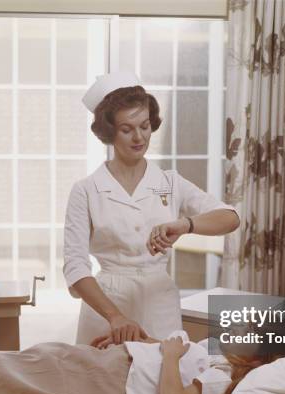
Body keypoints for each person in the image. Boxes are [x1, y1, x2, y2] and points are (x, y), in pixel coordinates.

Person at [64, 72, 240, 346]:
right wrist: (115, 317)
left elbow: (230, 218)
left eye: (144, 126)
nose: (138, 137)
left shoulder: (169, 182)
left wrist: (185, 225)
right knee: (101, 383)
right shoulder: (86, 190)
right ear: (110, 132)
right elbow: (75, 267)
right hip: (106, 303)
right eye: (126, 129)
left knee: (163, 381)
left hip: (159, 302)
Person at [92, 319, 285, 394]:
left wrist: (171, 357)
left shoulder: (221, 375)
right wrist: (133, 340)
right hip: (122, 358)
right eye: (245, 323)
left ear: (256, 360)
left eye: (247, 333)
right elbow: (169, 347)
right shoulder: (213, 347)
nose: (237, 328)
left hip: (121, 375)